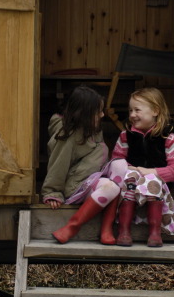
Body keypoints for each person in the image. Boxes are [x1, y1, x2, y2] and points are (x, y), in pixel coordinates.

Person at [41, 86, 121, 244]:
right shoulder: (68, 135)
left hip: (92, 178)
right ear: (84, 113)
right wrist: (52, 192)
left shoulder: (93, 128)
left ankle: (106, 230)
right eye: (98, 111)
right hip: (76, 184)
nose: (102, 114)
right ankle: (73, 226)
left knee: (120, 170)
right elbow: (58, 163)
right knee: (113, 187)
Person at [110, 87, 174, 247]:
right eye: (130, 110)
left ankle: (155, 233)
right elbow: (116, 161)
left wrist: (152, 172)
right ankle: (124, 231)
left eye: (137, 110)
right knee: (130, 177)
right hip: (131, 182)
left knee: (152, 180)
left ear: (155, 111)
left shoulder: (168, 137)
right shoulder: (125, 135)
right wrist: (130, 169)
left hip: (157, 187)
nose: (132, 115)